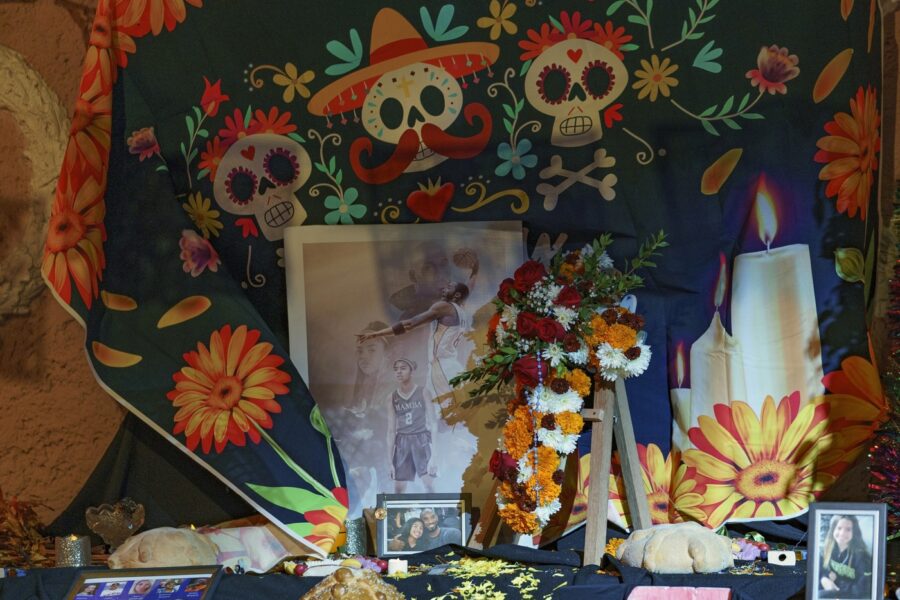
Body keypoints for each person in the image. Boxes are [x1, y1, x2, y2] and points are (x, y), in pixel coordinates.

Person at [358, 282, 472, 406]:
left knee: (440, 416)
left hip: (442, 369)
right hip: (453, 367)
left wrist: (378, 333)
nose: (444, 289)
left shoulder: (443, 307)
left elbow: (409, 324)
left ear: (457, 295)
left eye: (449, 287)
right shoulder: (463, 314)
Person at [382, 358, 438, 493]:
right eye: (396, 369)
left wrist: (434, 456)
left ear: (411, 371)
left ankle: (435, 514)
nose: (399, 372)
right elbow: (390, 431)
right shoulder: (392, 397)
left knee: (429, 485)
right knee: (399, 490)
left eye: (403, 368)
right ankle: (399, 514)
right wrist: (389, 462)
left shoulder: (423, 392)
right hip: (402, 442)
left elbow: (433, 424)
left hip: (421, 439)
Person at [819, 514, 872, 598]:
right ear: (833, 529)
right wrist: (824, 578)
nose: (842, 533)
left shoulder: (863, 557)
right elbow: (821, 570)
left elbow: (863, 589)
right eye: (839, 528)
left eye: (848, 529)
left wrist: (837, 583)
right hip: (831, 589)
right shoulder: (827, 547)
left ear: (854, 532)